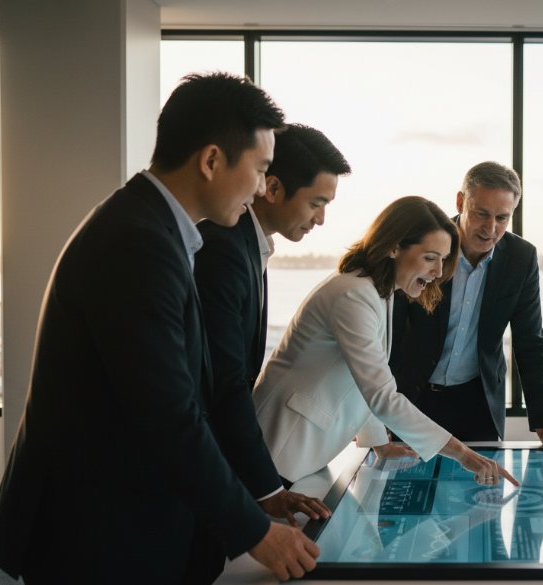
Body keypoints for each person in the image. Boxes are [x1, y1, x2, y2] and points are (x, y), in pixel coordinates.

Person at [0, 73, 320, 584]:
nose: (260, 187)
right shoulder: (137, 243)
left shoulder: (151, 228)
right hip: (97, 531)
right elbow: (170, 414)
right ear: (211, 161)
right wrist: (257, 530)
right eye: (260, 169)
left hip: (117, 517)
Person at [252, 196, 518, 487]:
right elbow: (382, 395)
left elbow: (364, 381)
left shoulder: (379, 292)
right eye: (430, 257)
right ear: (394, 246)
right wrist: (465, 454)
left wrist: (378, 442)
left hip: (301, 454)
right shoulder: (353, 294)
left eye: (443, 260)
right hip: (275, 451)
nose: (439, 272)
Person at [188, 123, 351, 583]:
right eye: (317, 203)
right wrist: (264, 492)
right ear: (274, 188)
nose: (320, 219)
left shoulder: (247, 246)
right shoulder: (222, 248)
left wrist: (270, 492)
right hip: (184, 475)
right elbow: (225, 385)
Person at [390, 162, 543, 445]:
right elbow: (390, 334)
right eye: (481, 213)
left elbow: (530, 341)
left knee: (483, 487)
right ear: (461, 201)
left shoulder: (521, 258)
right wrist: (378, 411)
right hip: (412, 398)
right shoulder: (425, 244)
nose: (490, 228)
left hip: (477, 404)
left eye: (502, 218)